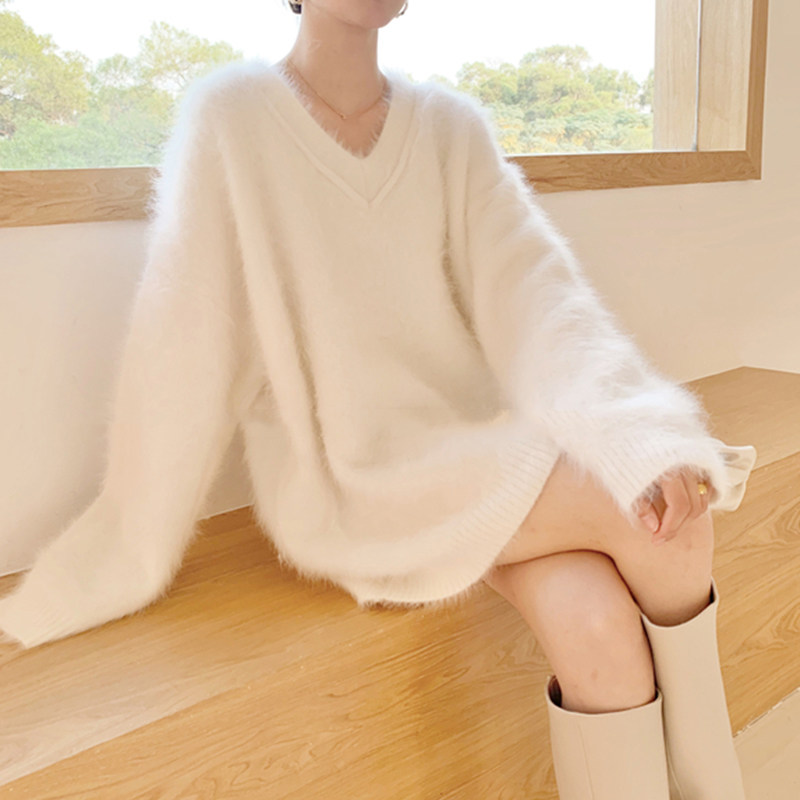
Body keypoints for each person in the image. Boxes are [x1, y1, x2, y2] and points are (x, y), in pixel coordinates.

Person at [0, 1, 756, 797]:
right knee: (667, 525)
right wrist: (123, 547)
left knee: (595, 625)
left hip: (475, 456)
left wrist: (636, 434)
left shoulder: (450, 129)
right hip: (352, 485)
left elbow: (541, 302)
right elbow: (181, 346)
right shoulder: (234, 119)